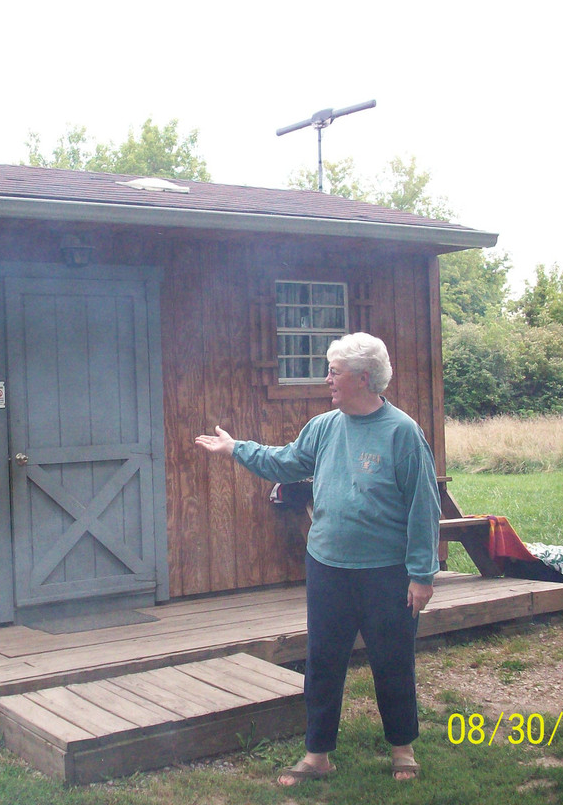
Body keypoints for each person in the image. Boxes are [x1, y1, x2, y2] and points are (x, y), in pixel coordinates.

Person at [194, 332, 440, 785]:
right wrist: (234, 448)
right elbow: (286, 462)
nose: (326, 379)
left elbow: (424, 507)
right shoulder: (324, 426)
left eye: (334, 371)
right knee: (323, 661)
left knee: (392, 661)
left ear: (363, 378)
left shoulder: (402, 432)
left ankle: (402, 748)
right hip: (327, 567)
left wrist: (422, 575)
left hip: (386, 572)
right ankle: (317, 755)